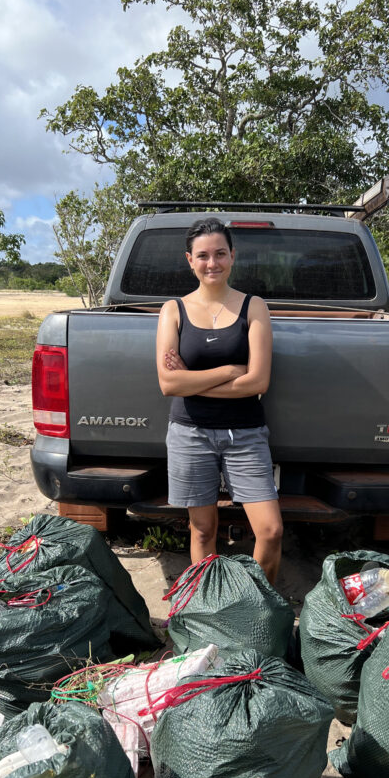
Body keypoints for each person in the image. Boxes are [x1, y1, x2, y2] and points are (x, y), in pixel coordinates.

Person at [156, 217, 283, 584]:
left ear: (232, 257)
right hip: (190, 434)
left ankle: (259, 608)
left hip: (245, 434)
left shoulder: (253, 307)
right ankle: (210, 607)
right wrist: (230, 370)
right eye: (203, 255)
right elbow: (167, 383)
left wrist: (190, 382)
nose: (212, 263)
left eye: (220, 254)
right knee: (201, 532)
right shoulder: (173, 310)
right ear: (189, 260)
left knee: (271, 531)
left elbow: (258, 381)